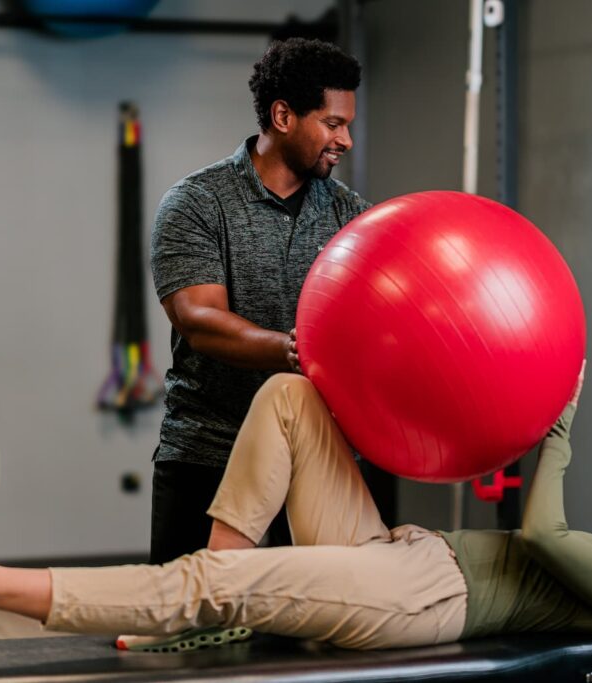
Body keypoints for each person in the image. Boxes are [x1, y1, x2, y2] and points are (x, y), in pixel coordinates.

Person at [0, 369, 592, 651]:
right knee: (290, 398)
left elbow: (544, 531)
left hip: (420, 594)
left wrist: (560, 426)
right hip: (400, 547)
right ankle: (208, 623)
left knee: (207, 579)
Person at [148, 38, 372, 562]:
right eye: (333, 124)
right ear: (283, 115)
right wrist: (295, 349)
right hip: (208, 452)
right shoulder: (199, 202)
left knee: (305, 634)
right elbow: (199, 319)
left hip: (316, 461)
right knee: (183, 624)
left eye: (348, 125)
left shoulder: (352, 216)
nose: (347, 140)